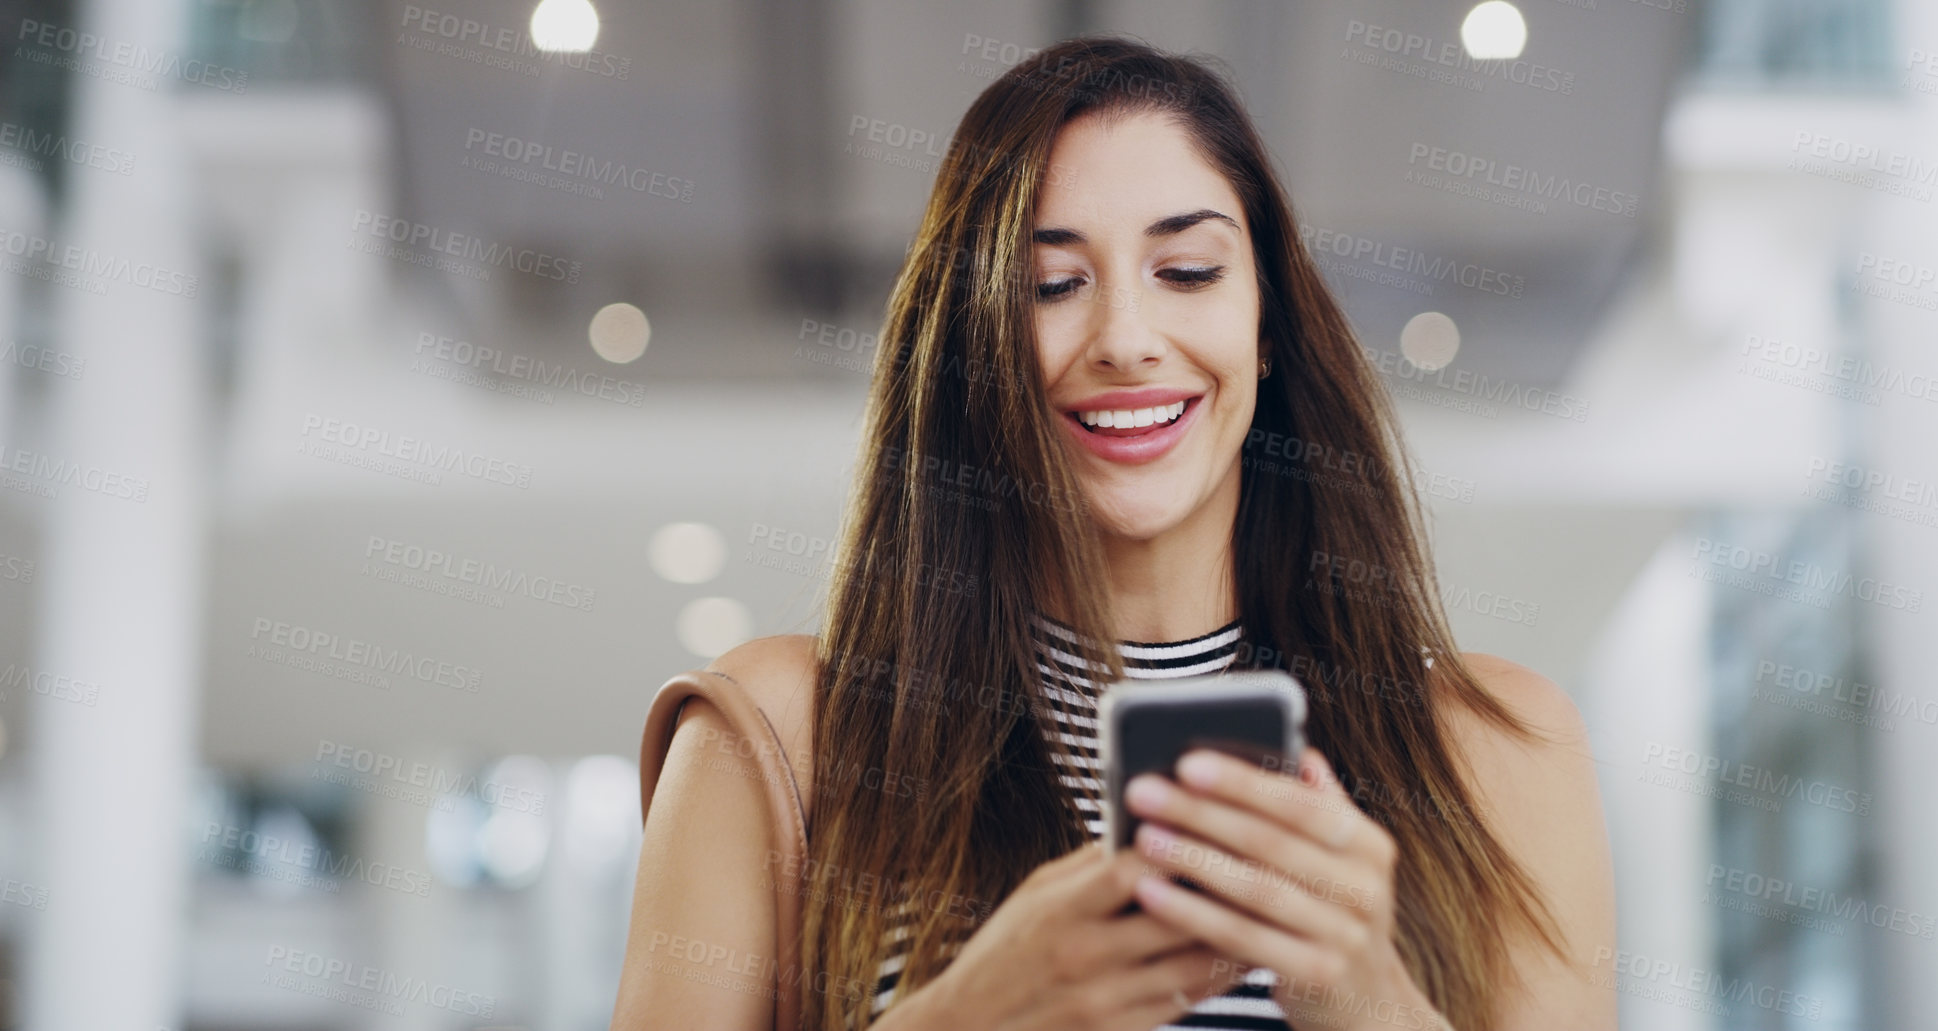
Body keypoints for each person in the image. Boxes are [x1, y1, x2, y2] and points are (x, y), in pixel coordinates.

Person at [610, 35, 1616, 1031]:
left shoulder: (1496, 751)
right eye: (1052, 285)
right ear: (973, 347)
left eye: (1186, 270)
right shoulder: (784, 738)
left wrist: (1370, 1001)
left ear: (1267, 328)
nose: (1127, 340)